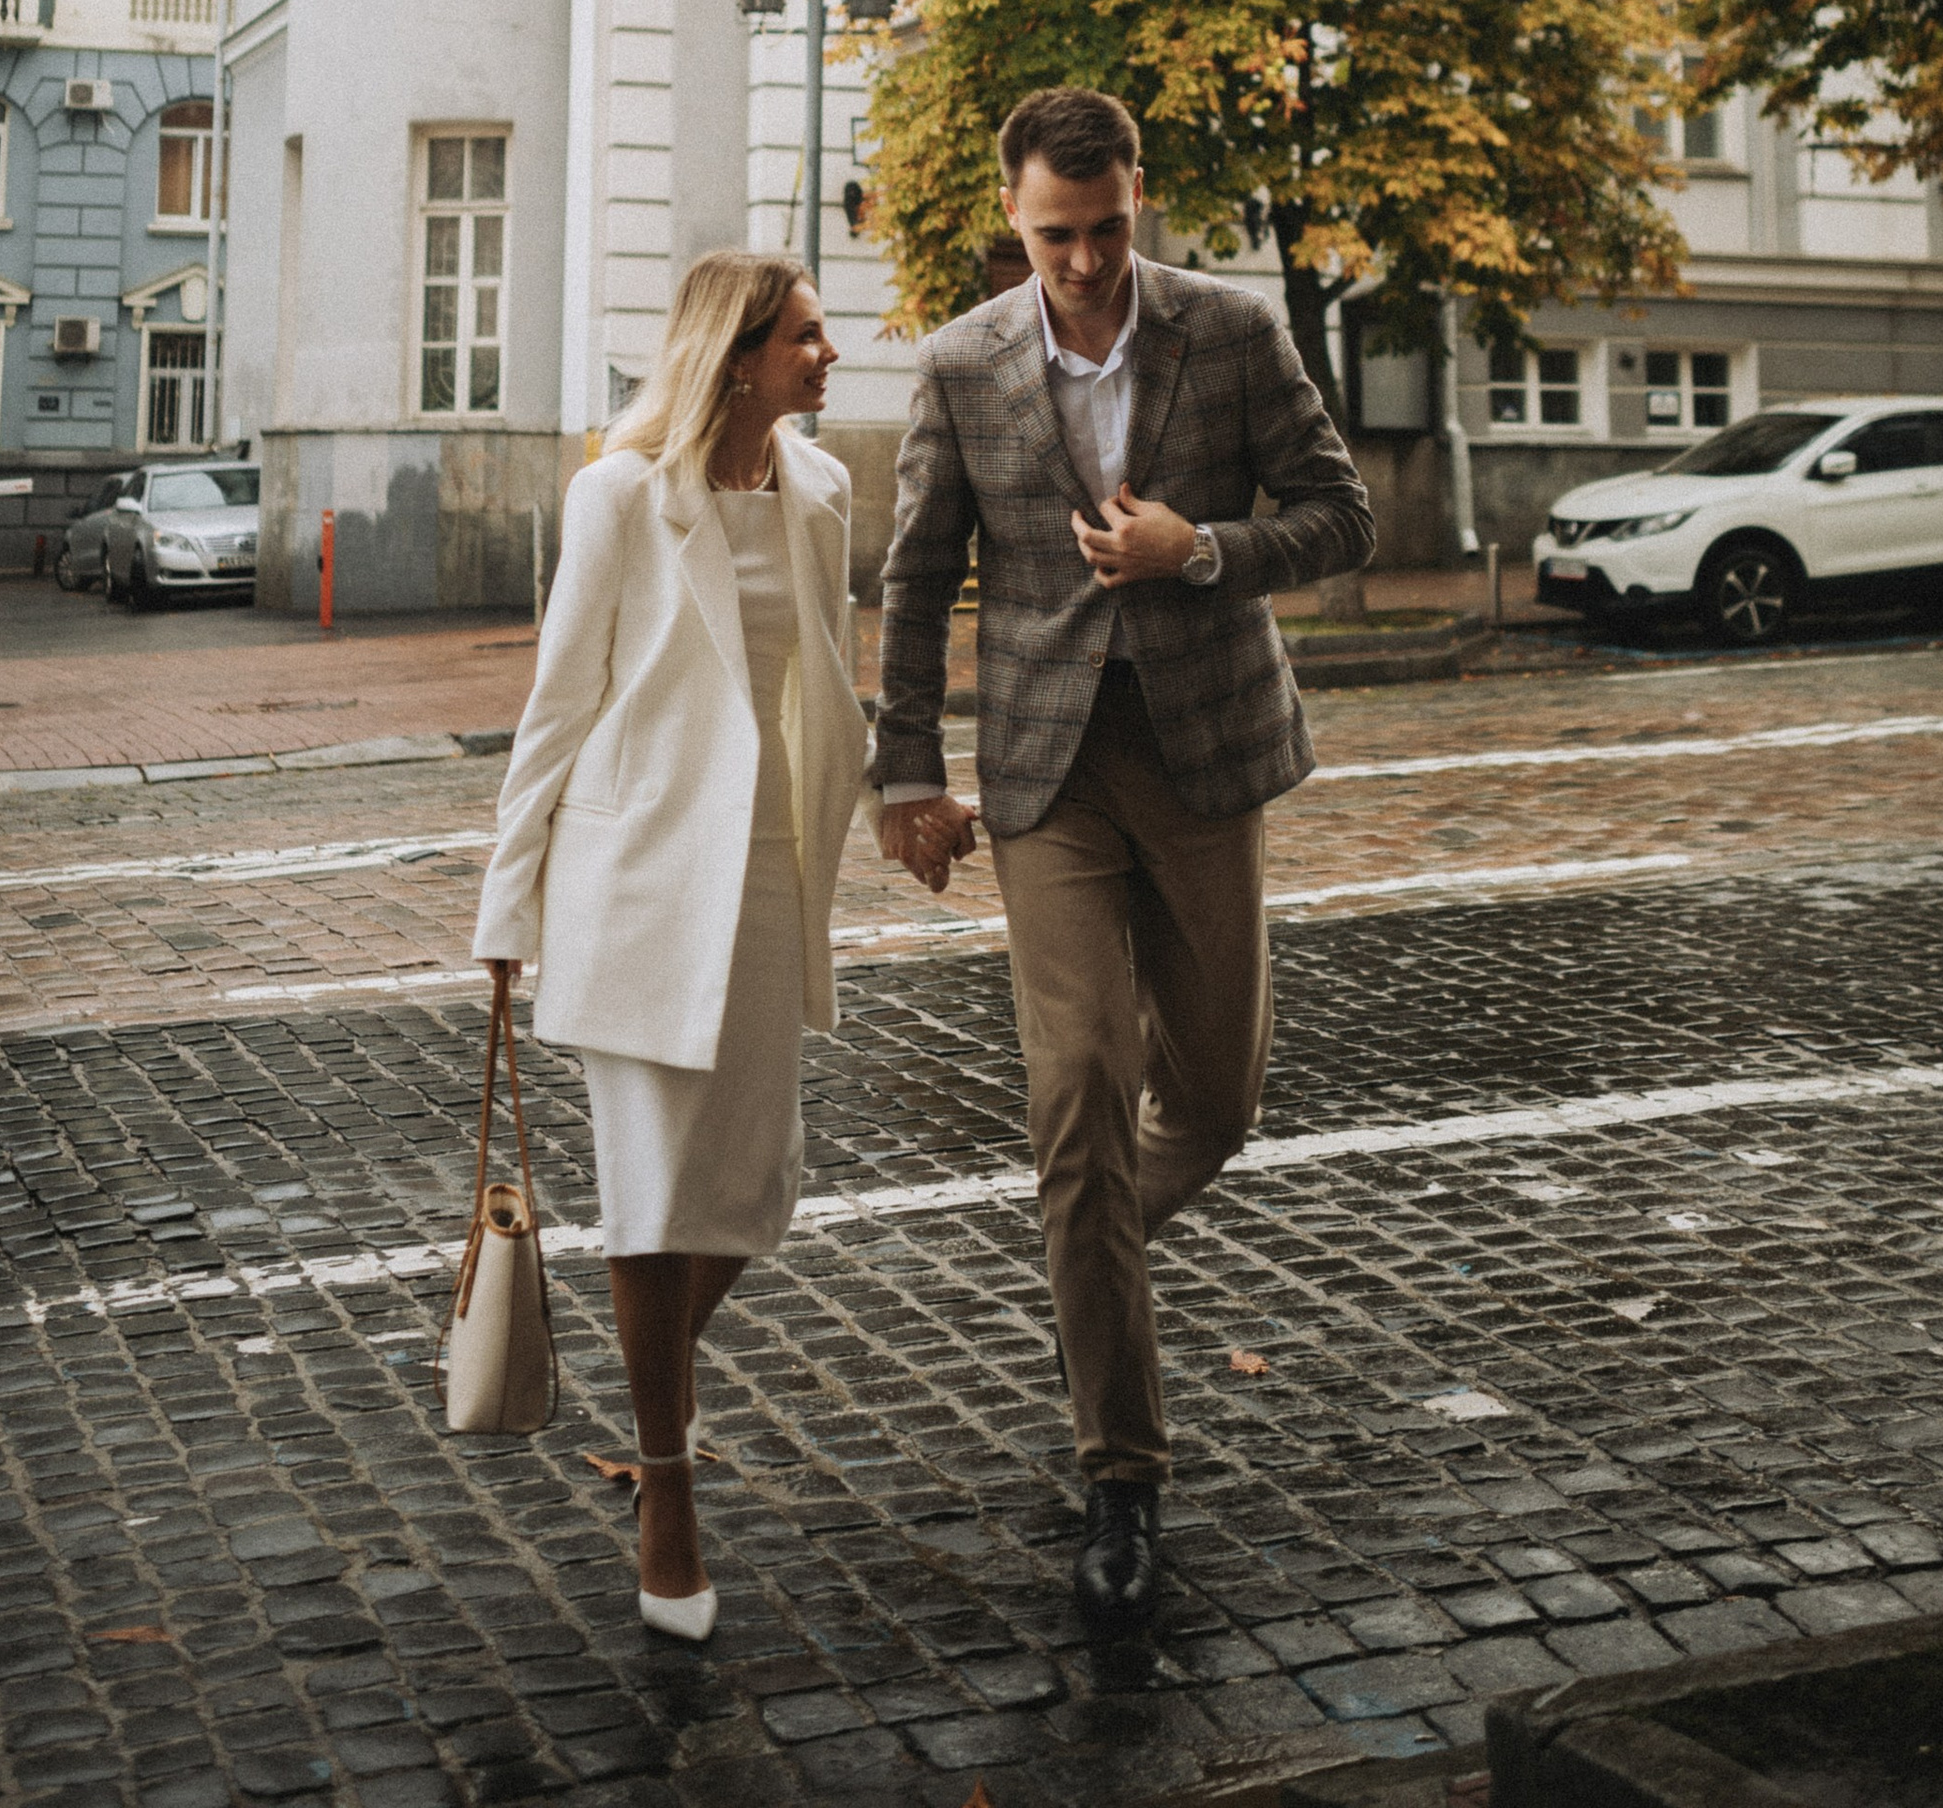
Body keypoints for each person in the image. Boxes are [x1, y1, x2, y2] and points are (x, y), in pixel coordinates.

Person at [874, 85, 1375, 1633]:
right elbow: (914, 581)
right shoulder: (962, 364)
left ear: (1136, 200)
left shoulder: (1230, 331)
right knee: (1077, 1092)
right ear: (1013, 217)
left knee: (1215, 1103)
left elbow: (1340, 515)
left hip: (1207, 759)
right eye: (1052, 237)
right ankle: (1124, 1476)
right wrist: (902, 772)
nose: (1082, 265)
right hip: (1048, 780)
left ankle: (1083, 1237)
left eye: (1104, 233)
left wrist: (1200, 549)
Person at [471, 251, 865, 1641]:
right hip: (634, 882)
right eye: (808, 338)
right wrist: (509, 912)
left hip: (764, 879)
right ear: (740, 354)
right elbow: (556, 708)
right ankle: (672, 1489)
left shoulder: (819, 494)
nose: (831, 356)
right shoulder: (621, 497)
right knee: (651, 1196)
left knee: (755, 1191)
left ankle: (651, 1398)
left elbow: (831, 688)